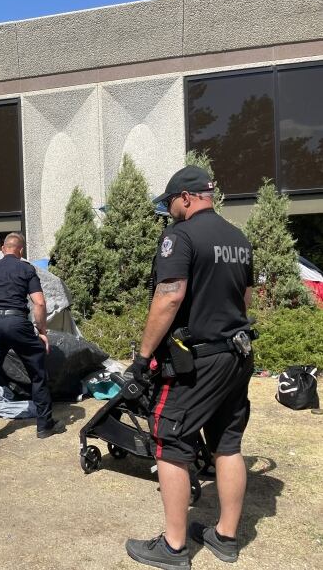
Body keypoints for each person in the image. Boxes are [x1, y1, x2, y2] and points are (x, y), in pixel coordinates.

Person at [123, 166, 255, 570]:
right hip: (237, 352)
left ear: (186, 197)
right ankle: (226, 537)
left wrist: (142, 358)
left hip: (197, 360)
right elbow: (245, 299)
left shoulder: (178, 238)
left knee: (170, 441)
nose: (168, 212)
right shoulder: (238, 238)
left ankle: (174, 546)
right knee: (227, 443)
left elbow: (169, 298)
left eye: (169, 204)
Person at [0, 232, 65, 445]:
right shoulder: (26, 268)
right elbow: (39, 303)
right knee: (37, 374)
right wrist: (42, 331)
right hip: (19, 323)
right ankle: (44, 426)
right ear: (21, 250)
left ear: (3, 249)